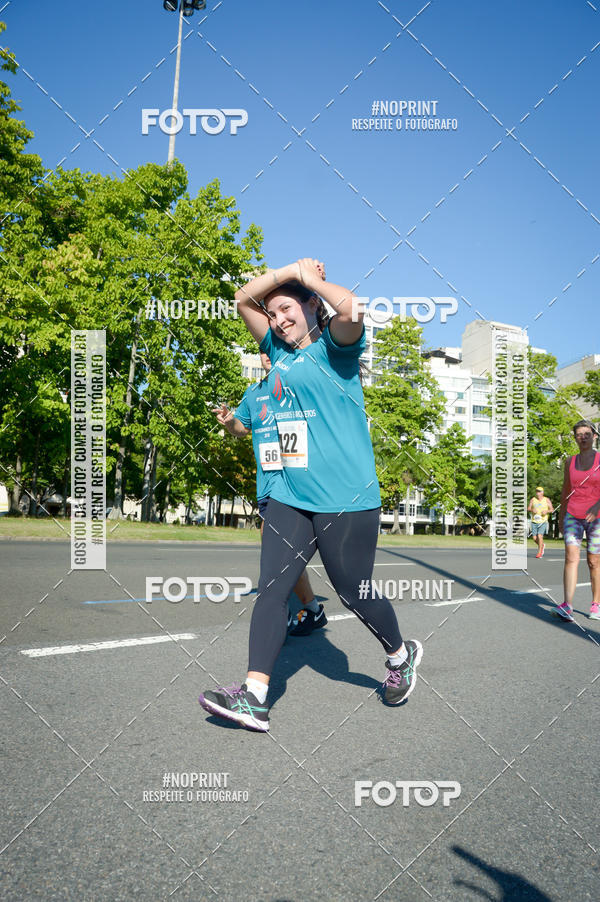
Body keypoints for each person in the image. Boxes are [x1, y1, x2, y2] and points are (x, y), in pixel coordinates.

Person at [199, 258, 422, 731]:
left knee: (353, 592)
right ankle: (254, 697)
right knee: (272, 590)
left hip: (346, 498)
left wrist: (306, 277)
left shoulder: (335, 351)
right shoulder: (277, 358)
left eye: (287, 310)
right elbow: (242, 298)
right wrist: (287, 270)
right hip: (290, 498)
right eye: (273, 314)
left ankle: (400, 655)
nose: (278, 321)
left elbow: (351, 309)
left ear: (310, 306)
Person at [212, 351, 324, 636]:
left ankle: (281, 614)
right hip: (270, 486)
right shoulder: (255, 393)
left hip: (302, 486)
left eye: (271, 349)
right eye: (262, 350)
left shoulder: (302, 386)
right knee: (284, 554)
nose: (266, 355)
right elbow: (242, 427)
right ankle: (311, 610)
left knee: (280, 555)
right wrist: (228, 421)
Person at [553, 419, 600, 622]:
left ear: (594, 436)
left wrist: (597, 506)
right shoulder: (570, 462)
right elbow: (566, 489)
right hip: (573, 515)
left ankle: (596, 604)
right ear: (575, 438)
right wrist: (561, 515)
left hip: (597, 517)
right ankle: (568, 605)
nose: (583, 438)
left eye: (587, 434)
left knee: (593, 561)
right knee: (571, 557)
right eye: (579, 434)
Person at [527, 486, 554, 558]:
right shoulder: (533, 499)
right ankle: (542, 545)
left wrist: (546, 511)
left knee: (540, 536)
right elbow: (528, 508)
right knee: (534, 538)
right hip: (534, 521)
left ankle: (539, 553)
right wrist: (532, 510)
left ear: (542, 492)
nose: (538, 493)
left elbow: (552, 509)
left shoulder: (546, 500)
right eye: (537, 491)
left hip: (543, 521)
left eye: (539, 491)